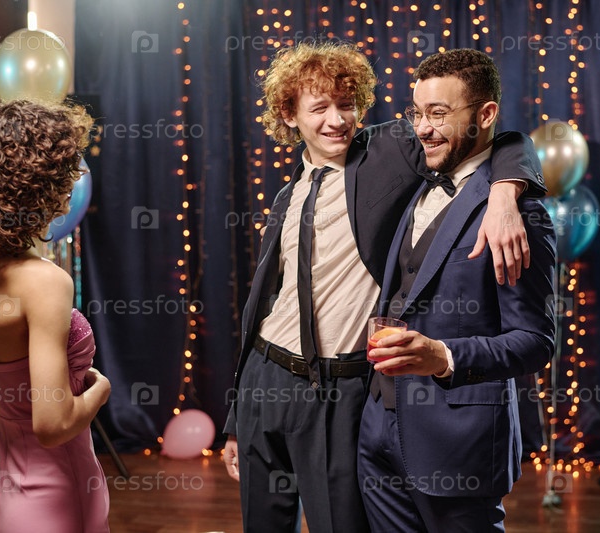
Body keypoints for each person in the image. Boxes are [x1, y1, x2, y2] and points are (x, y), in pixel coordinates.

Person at [221, 41, 547, 533]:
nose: (336, 120)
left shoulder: (390, 153)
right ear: (289, 115)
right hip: (263, 379)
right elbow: (263, 303)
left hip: (338, 386)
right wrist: (236, 415)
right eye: (319, 108)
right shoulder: (288, 194)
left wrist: (506, 192)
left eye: (346, 104)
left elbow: (502, 139)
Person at [356, 48, 556, 532]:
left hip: (458, 442)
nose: (423, 129)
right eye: (417, 113)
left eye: (439, 114)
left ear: (485, 115)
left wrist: (443, 356)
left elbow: (534, 342)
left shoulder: (519, 215)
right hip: (378, 430)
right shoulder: (416, 180)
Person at [0, 99, 112, 533]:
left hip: (11, 492)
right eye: (64, 169)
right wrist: (100, 390)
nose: (73, 179)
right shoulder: (44, 282)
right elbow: (52, 425)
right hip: (58, 496)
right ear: (34, 182)